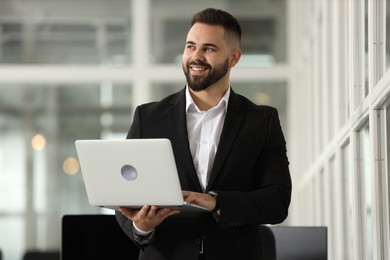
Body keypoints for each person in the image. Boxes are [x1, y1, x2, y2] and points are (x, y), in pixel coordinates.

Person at [115, 7, 292, 260]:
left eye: (208, 48)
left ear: (234, 57)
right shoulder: (148, 118)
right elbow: (124, 198)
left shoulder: (262, 121)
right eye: (190, 46)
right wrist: (141, 227)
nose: (195, 56)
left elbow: (277, 201)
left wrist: (216, 202)